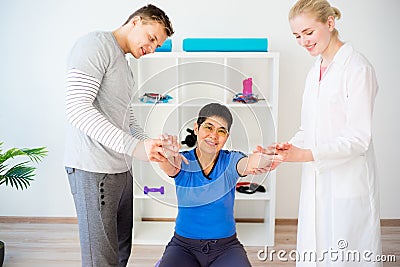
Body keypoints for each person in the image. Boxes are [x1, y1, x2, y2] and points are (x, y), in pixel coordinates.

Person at [258, 0, 382, 266]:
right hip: (316, 178)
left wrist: (305, 154)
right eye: (297, 36)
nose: (303, 41)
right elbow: (309, 128)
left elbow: (359, 138)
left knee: (346, 254)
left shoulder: (357, 68)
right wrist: (285, 150)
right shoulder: (315, 71)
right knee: (315, 250)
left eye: (308, 33)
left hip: (347, 180)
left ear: (330, 23)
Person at [64, 4, 175, 267]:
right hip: (93, 169)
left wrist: (150, 143)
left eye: (157, 45)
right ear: (135, 22)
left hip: (122, 169)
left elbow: (128, 118)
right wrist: (135, 146)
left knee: (121, 250)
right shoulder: (95, 45)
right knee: (100, 259)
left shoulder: (125, 66)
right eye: (151, 39)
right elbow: (77, 108)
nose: (151, 48)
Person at [157, 103, 281, 267]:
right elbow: (168, 165)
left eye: (221, 131)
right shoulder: (183, 160)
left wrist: (266, 157)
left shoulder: (231, 160)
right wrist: (165, 154)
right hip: (183, 246)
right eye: (208, 127)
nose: (214, 136)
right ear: (196, 128)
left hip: (226, 248)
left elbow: (249, 163)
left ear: (227, 137)